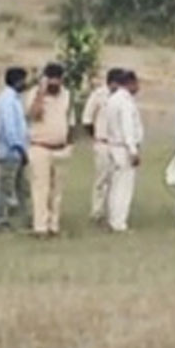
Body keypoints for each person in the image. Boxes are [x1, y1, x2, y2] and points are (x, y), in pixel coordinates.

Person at [26, 62, 72, 237]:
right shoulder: (35, 94)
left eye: (57, 79)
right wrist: (41, 93)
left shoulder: (66, 95)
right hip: (40, 147)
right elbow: (33, 115)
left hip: (61, 148)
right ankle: (40, 227)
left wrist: (69, 143)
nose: (55, 83)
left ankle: (54, 225)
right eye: (51, 79)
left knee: (57, 191)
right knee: (41, 189)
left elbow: (69, 119)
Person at [82, 67, 125, 224]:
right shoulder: (99, 95)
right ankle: (97, 212)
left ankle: (114, 213)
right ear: (110, 82)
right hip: (103, 142)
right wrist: (96, 137)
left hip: (119, 144)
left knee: (117, 180)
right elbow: (87, 119)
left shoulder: (123, 98)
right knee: (102, 179)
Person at [104, 70, 143, 232]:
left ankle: (113, 219)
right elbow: (127, 126)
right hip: (123, 147)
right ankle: (119, 222)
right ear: (130, 83)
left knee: (115, 185)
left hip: (113, 145)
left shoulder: (112, 99)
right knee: (123, 187)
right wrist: (133, 150)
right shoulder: (125, 102)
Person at [0, 67, 31, 229]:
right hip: (11, 152)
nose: (26, 83)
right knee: (5, 188)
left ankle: (24, 219)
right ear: (18, 81)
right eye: (24, 80)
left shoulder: (14, 99)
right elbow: (9, 128)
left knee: (22, 188)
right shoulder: (8, 100)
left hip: (17, 152)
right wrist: (19, 147)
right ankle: (0, 220)